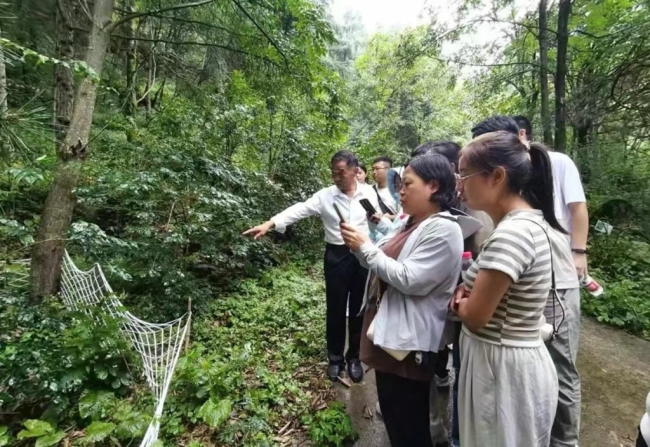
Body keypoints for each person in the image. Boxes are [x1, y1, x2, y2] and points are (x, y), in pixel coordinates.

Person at [474, 115, 584, 447]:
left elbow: (576, 209)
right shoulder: (499, 188)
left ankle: (564, 440)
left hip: (555, 280)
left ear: (517, 139)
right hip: (517, 274)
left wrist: (578, 252)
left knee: (561, 365)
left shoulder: (554, 163)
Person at [341, 154, 466, 447]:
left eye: (408, 184)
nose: (401, 191)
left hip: (410, 345)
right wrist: (361, 247)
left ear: (433, 186)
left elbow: (410, 279)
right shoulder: (412, 222)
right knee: (396, 419)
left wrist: (366, 248)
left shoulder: (444, 228)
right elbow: (382, 257)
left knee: (410, 426)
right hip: (393, 337)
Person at [453, 131, 564, 446]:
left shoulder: (512, 234)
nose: (459, 185)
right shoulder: (529, 223)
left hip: (501, 370)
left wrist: (459, 303)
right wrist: (469, 293)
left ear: (497, 177)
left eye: (464, 175)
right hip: (506, 361)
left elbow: (476, 317)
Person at [243, 150, 380, 383]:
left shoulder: (369, 193)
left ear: (356, 171)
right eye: (333, 173)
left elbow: (378, 220)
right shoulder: (325, 196)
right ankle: (335, 359)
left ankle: (354, 358)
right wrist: (271, 223)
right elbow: (300, 209)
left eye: (340, 172)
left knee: (358, 308)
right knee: (336, 307)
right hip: (336, 255)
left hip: (362, 254)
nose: (335, 177)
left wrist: (377, 221)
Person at [412, 140, 493, 447]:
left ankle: (455, 437)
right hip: (438, 307)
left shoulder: (478, 211)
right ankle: (436, 431)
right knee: (432, 365)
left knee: (464, 370)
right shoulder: (433, 206)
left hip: (463, 308)